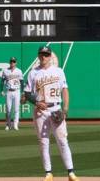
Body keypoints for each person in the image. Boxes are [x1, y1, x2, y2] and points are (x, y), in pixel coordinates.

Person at [22, 45, 79, 181]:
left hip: (56, 108)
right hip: (41, 111)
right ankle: (48, 173)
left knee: (62, 141)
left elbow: (65, 90)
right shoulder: (33, 72)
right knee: (43, 142)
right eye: (41, 54)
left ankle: (70, 173)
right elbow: (27, 93)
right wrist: (36, 102)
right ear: (38, 56)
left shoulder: (59, 71)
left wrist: (65, 109)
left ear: (50, 56)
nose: (43, 57)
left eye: (46, 54)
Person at [0, 57, 23, 131]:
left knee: (16, 109)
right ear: (10, 62)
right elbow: (2, 81)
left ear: (16, 62)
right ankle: (8, 124)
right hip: (9, 91)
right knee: (8, 109)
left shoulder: (19, 71)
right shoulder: (5, 71)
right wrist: (1, 90)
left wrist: (23, 92)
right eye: (11, 61)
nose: (12, 63)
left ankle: (15, 125)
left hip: (17, 91)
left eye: (14, 61)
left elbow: (22, 82)